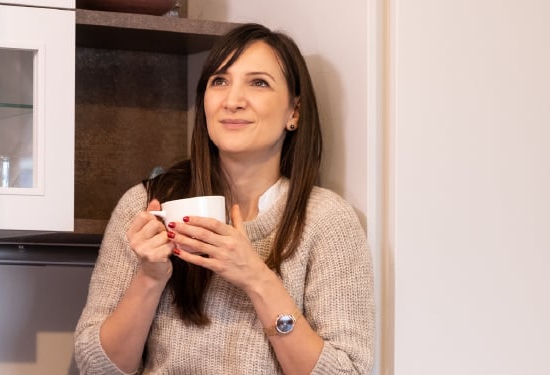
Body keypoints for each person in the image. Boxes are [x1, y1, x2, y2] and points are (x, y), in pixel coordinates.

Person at [72, 23, 374, 374]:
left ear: (294, 112)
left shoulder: (325, 219)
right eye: (219, 81)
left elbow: (347, 371)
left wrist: (256, 278)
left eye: (258, 82)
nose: (232, 101)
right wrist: (151, 277)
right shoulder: (146, 205)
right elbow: (96, 367)